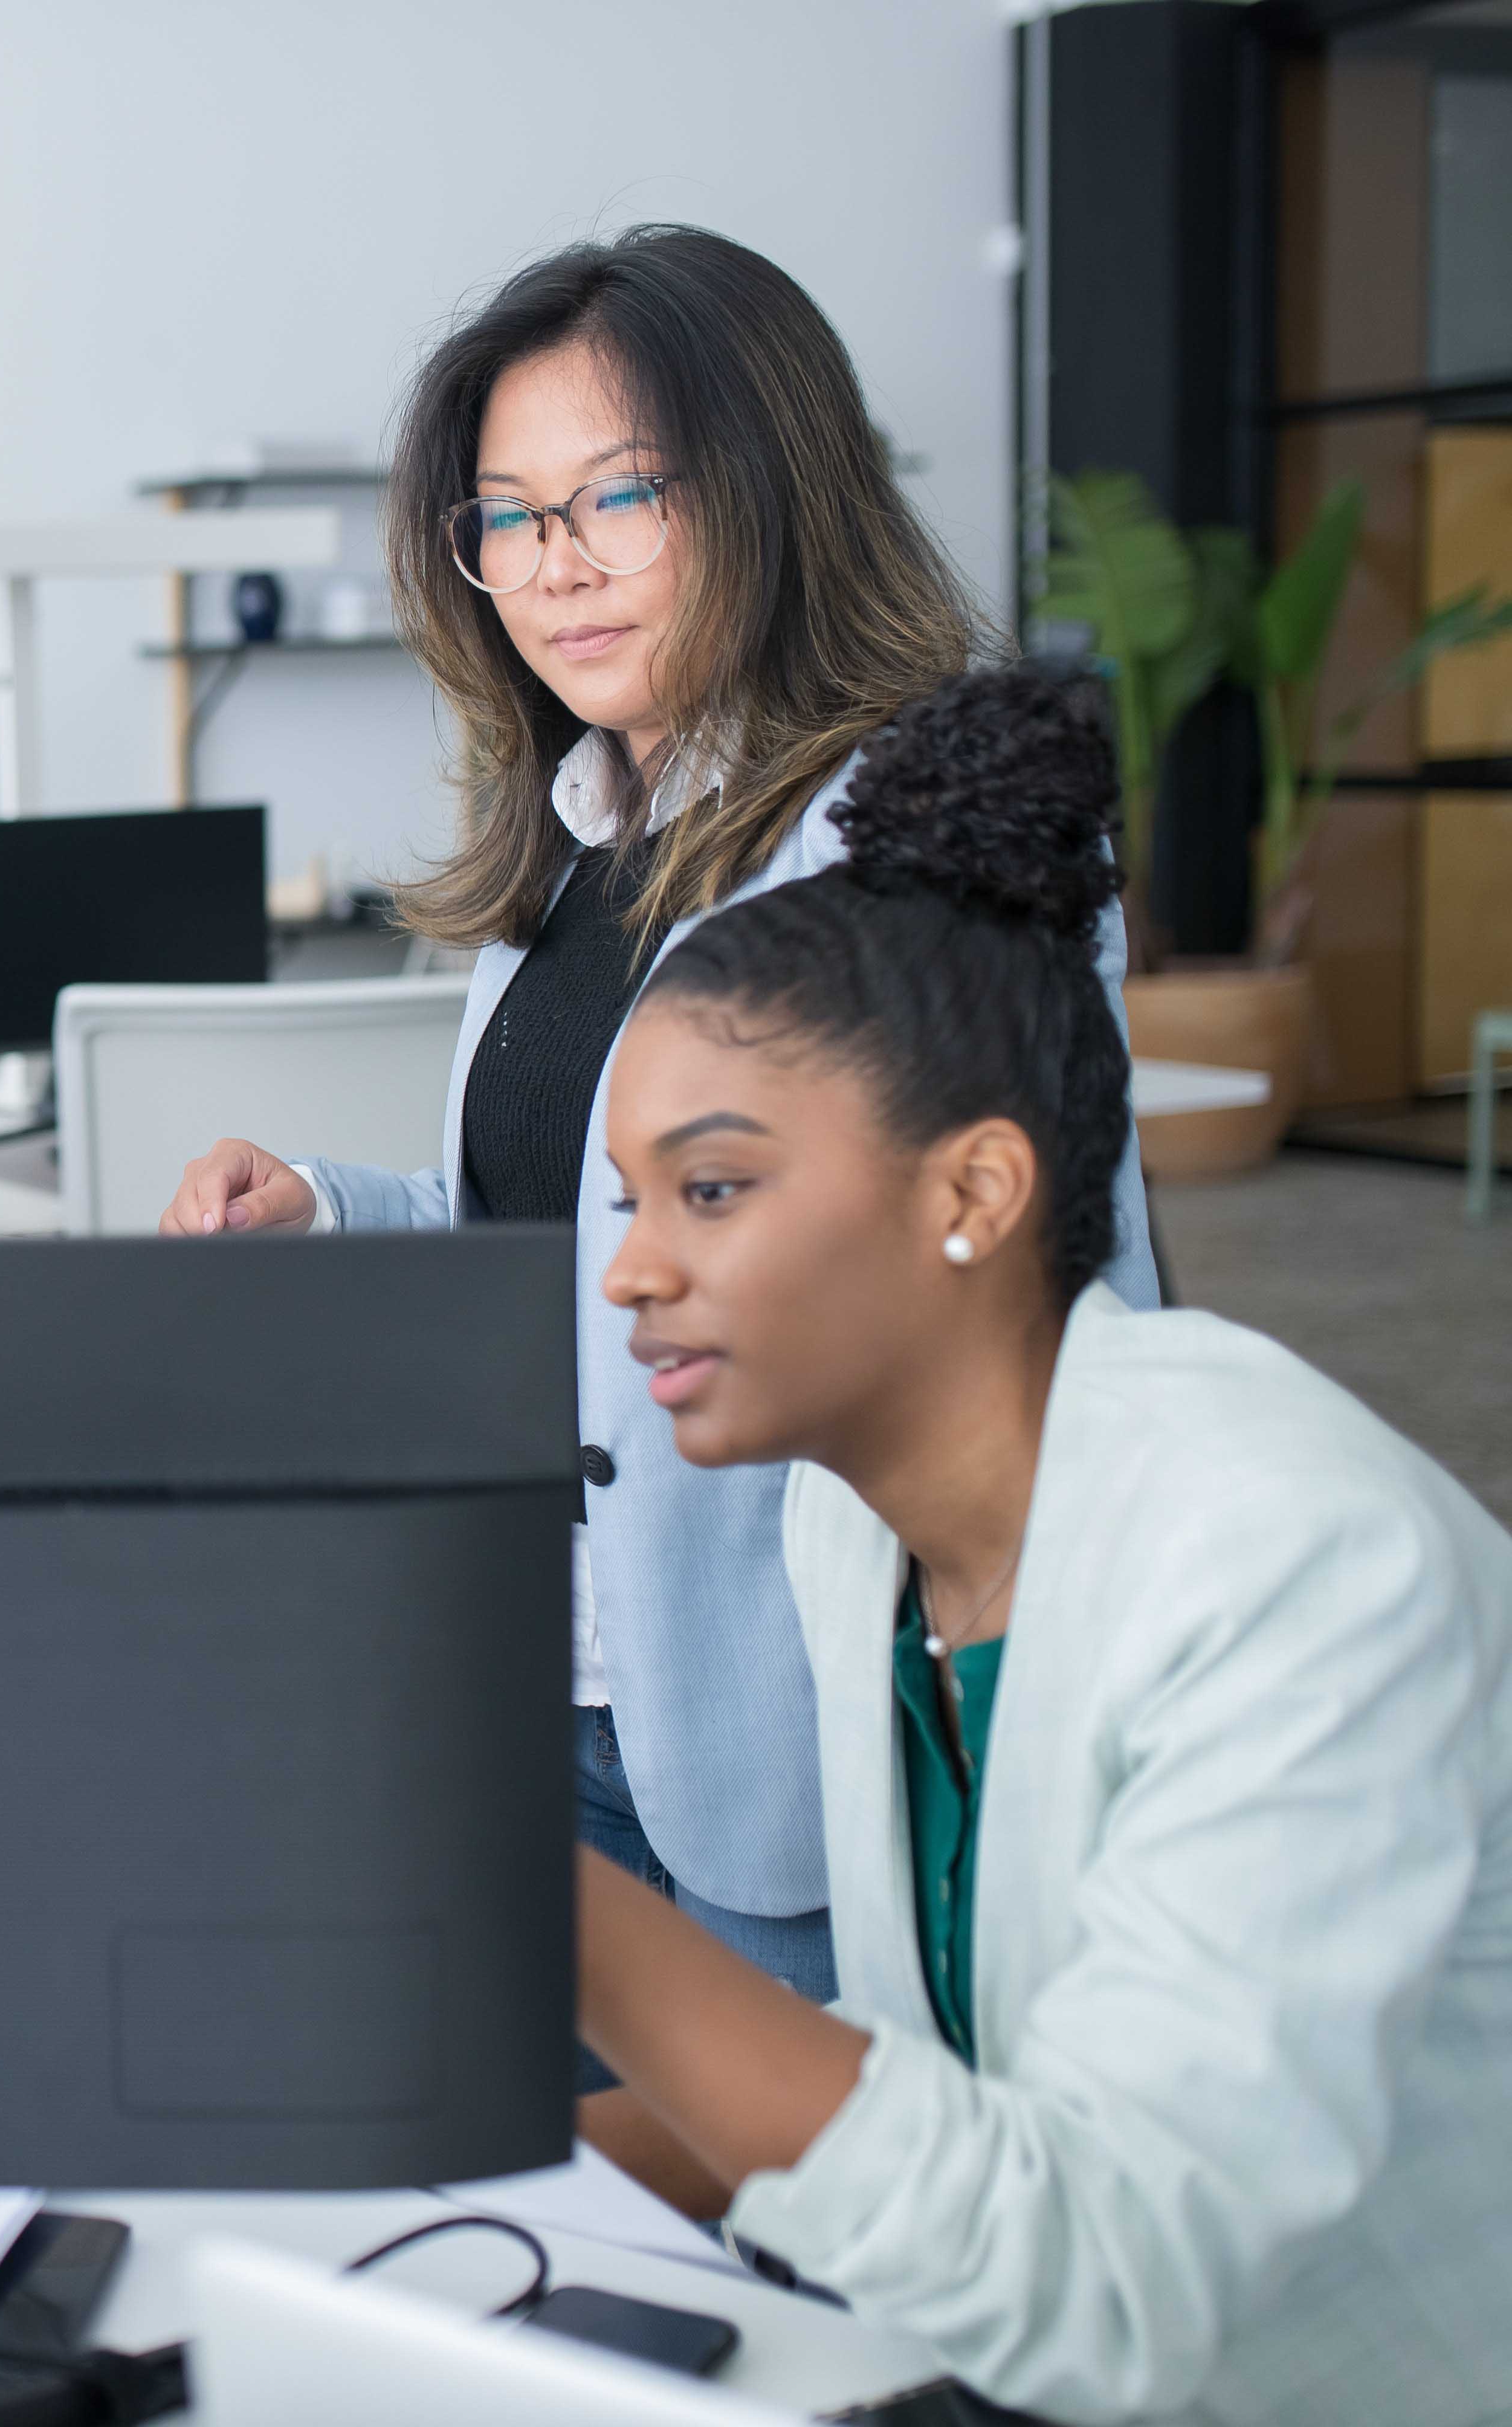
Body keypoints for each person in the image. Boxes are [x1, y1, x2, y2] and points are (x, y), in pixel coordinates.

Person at [159, 227, 1158, 2128]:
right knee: (574, 2229)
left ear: (772, 490)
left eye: (621, 494)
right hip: (555, 1682)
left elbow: (1027, 1286)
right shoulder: (572, 837)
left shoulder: (921, 839)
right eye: (509, 516)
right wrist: (336, 1210)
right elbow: (585, 1236)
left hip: (790, 1717)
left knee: (815, 2255)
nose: (558, 563)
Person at [578, 667, 1512, 2426]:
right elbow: (926, 2078)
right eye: (627, 1201)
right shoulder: (851, 1528)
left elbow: (1104, 2282)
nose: (627, 1268)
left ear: (972, 1193)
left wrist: (528, 1905)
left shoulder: (1291, 1553)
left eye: (707, 1190)